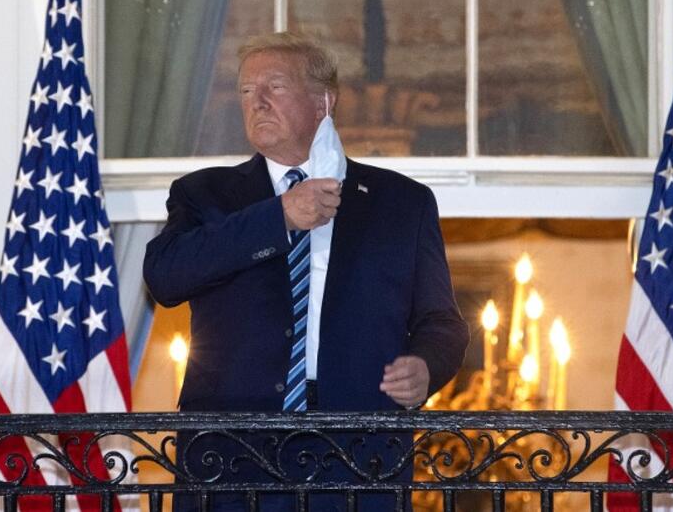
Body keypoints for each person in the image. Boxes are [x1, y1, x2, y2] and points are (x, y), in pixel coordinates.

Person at [143, 32, 469, 512]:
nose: (259, 102)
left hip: (359, 453)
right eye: (248, 92)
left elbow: (442, 323)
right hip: (232, 457)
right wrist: (277, 217)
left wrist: (426, 366)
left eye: (274, 86)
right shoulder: (206, 194)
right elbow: (165, 277)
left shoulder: (401, 203)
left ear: (323, 101)